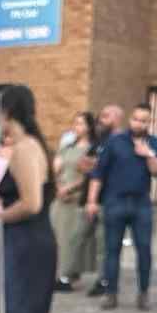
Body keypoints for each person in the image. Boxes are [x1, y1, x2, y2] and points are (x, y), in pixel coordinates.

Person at [0, 84, 58, 313]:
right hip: (33, 245)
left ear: (6, 112)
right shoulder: (35, 146)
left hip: (26, 249)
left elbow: (30, 203)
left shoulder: (24, 149)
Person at [86, 103, 157, 311]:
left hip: (141, 204)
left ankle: (143, 293)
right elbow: (98, 173)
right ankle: (111, 293)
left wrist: (148, 154)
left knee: (144, 250)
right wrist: (92, 201)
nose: (138, 123)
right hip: (115, 201)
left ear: (150, 122)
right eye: (135, 119)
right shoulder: (115, 142)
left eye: (143, 120)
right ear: (130, 119)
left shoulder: (155, 144)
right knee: (112, 250)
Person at [80, 104, 123, 296]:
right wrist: (96, 166)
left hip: (110, 200)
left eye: (105, 116)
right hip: (93, 199)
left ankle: (105, 280)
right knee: (88, 241)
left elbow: (114, 168)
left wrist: (98, 166)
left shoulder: (122, 141)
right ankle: (76, 274)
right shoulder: (99, 142)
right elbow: (84, 164)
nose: (100, 120)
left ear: (116, 118)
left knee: (106, 244)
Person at [52, 111, 97, 292]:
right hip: (60, 197)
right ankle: (60, 273)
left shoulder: (92, 149)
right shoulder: (66, 147)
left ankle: (69, 273)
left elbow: (90, 175)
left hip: (77, 197)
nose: (76, 127)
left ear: (88, 127)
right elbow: (55, 169)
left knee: (73, 238)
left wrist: (70, 189)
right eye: (75, 123)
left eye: (80, 124)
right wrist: (58, 188)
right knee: (58, 235)